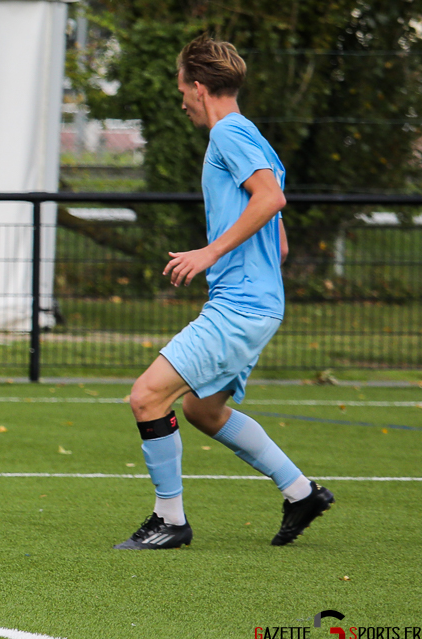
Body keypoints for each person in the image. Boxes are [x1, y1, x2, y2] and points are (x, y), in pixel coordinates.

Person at [113, 36, 333, 550]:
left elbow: (270, 197)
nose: (181, 101)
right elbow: (275, 224)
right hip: (254, 304)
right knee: (201, 411)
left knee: (147, 396)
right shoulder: (251, 134)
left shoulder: (228, 134)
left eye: (181, 89)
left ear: (197, 86)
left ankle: (169, 520)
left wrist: (210, 254)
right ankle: (301, 493)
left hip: (241, 307)